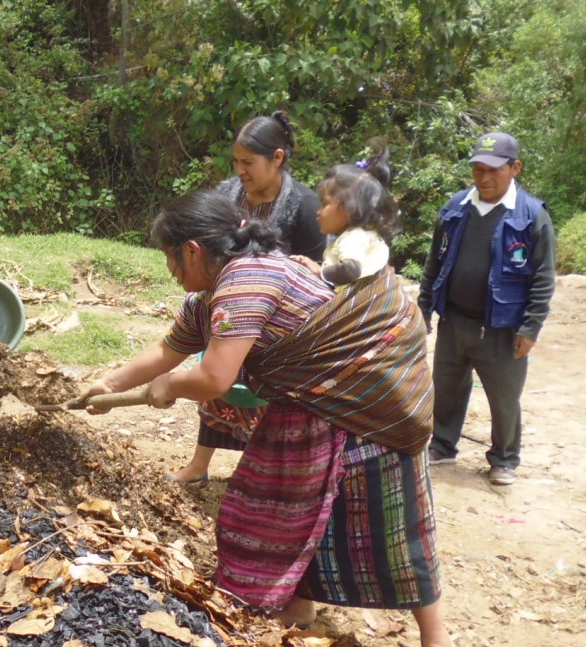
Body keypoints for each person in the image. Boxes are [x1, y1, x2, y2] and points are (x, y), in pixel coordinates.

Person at [77, 189, 467, 647]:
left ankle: (438, 645)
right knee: (281, 507)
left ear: (192, 250)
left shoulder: (245, 281)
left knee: (391, 525)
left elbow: (214, 377)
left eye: (169, 257)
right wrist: (106, 386)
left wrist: (170, 386)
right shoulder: (214, 294)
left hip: (365, 398)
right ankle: (298, 604)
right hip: (306, 406)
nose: (169, 270)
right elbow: (167, 349)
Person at [174, 111, 326, 483]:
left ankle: (257, 474)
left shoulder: (305, 206)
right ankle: (199, 464)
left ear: (277, 158)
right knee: (215, 379)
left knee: (268, 402)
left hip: (278, 325)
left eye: (248, 162)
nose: (240, 170)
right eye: (236, 162)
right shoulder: (227, 196)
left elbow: (313, 271)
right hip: (229, 308)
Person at [418, 132, 556, 487]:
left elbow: (543, 277)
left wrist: (531, 327)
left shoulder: (531, 215)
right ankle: (442, 446)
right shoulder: (456, 207)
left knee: (504, 398)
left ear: (515, 168)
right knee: (446, 388)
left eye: (493, 170)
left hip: (502, 327)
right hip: (454, 320)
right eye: (478, 169)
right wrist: (425, 307)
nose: (484, 177)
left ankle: (504, 459)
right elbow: (435, 261)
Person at [313, 138, 399, 285]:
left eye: (324, 204)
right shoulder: (362, 235)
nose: (318, 212)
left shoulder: (354, 237)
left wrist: (319, 272)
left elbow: (350, 270)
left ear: (349, 208)